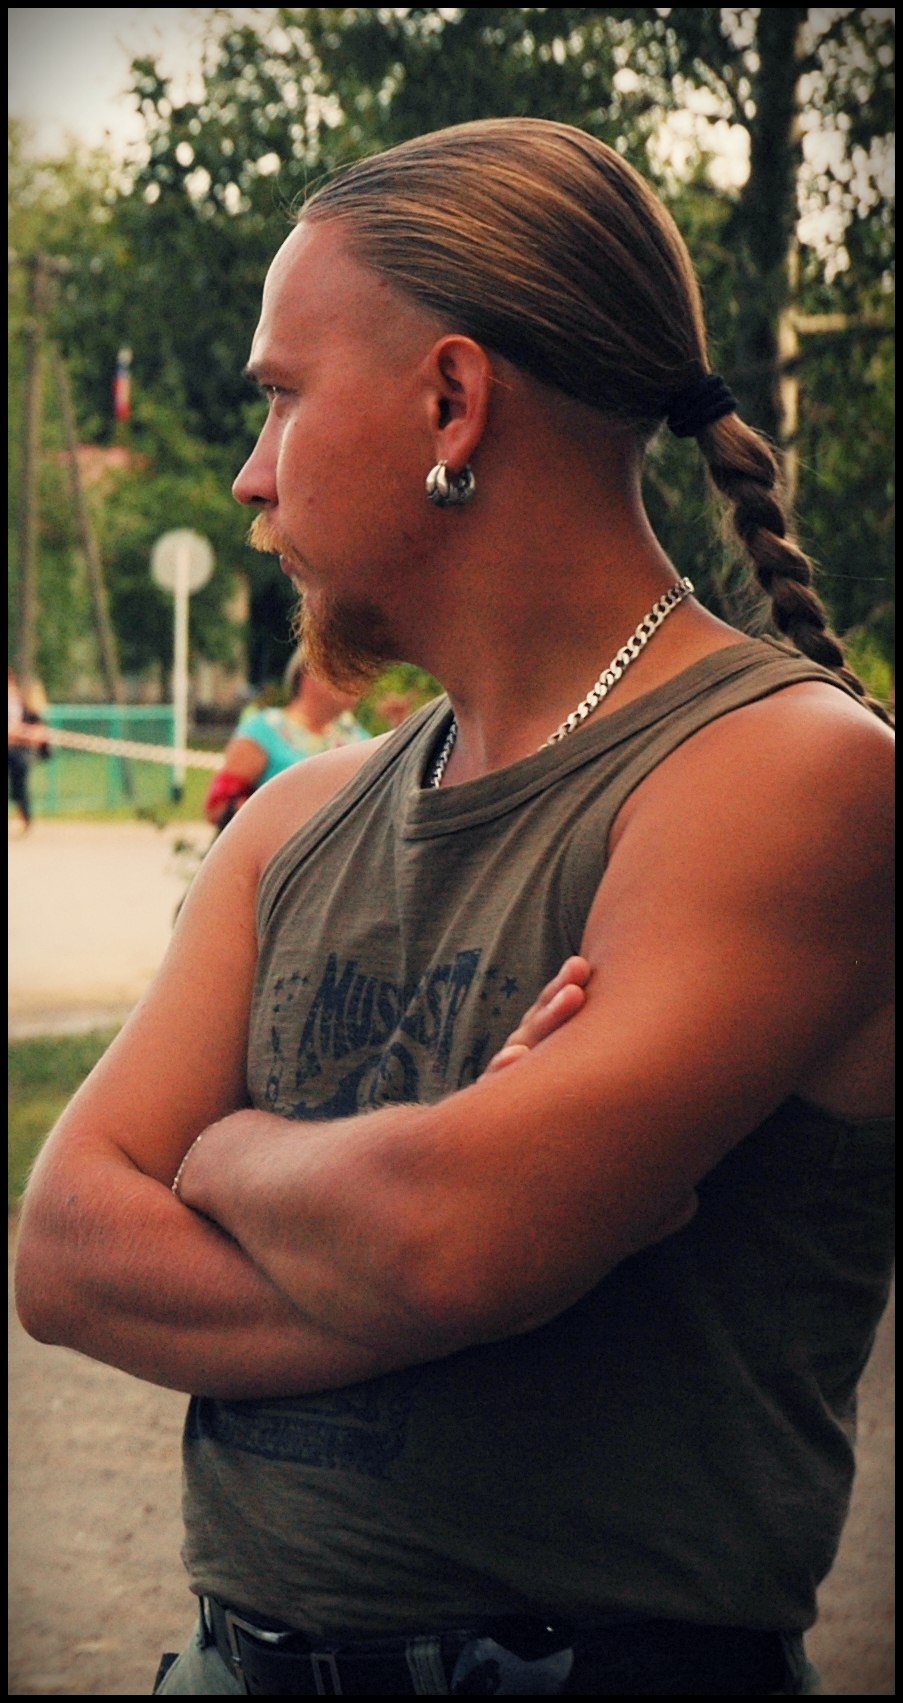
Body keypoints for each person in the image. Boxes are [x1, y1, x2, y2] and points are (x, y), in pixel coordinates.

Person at [14, 117, 894, 1698]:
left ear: (449, 401)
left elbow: (447, 1240)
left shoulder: (793, 775)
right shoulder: (295, 818)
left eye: (281, 396)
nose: (249, 471)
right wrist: (444, 1239)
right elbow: (67, 1247)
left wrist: (222, 1155)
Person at [204, 650, 368, 831]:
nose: (357, 682)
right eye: (346, 672)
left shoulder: (357, 736)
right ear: (311, 672)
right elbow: (219, 807)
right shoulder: (263, 730)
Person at [8, 665, 50, 833]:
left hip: (20, 750)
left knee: (20, 773)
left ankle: (24, 815)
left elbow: (40, 730)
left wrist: (23, 733)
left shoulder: (23, 702)